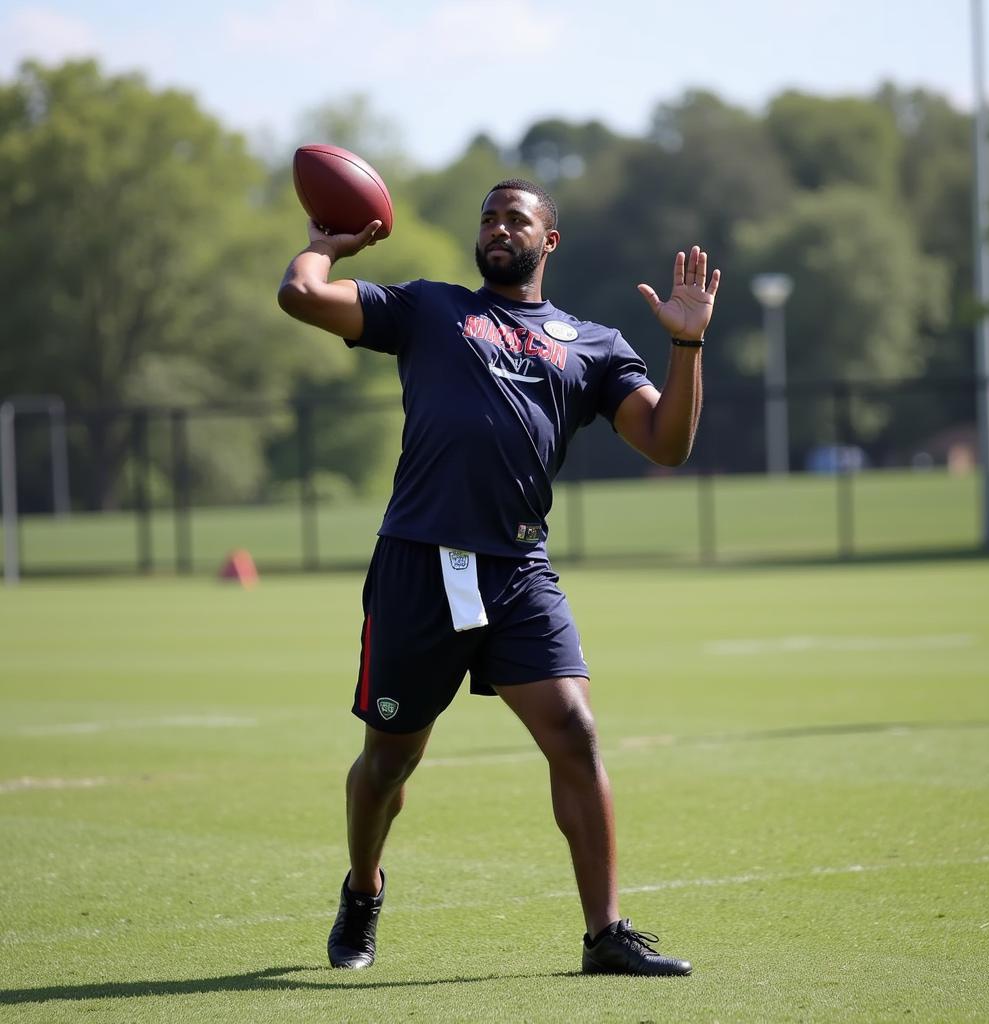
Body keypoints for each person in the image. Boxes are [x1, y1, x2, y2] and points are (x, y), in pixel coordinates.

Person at [278, 178, 720, 977]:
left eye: (516, 218)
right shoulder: (430, 310)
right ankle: (365, 885)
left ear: (548, 240)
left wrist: (685, 346)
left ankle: (605, 935)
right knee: (387, 764)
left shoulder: (593, 344)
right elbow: (303, 298)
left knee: (577, 734)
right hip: (419, 563)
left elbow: (666, 443)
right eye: (488, 217)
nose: (498, 228)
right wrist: (324, 246)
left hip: (518, 568)